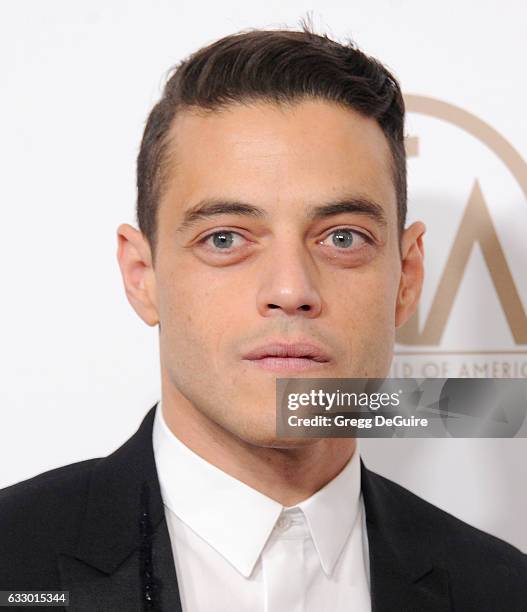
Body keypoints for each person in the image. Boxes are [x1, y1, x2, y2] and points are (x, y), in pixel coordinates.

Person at [1, 23, 525, 612]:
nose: (290, 289)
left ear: (406, 277)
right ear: (141, 276)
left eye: (342, 237)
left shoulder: (504, 590)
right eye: (225, 238)